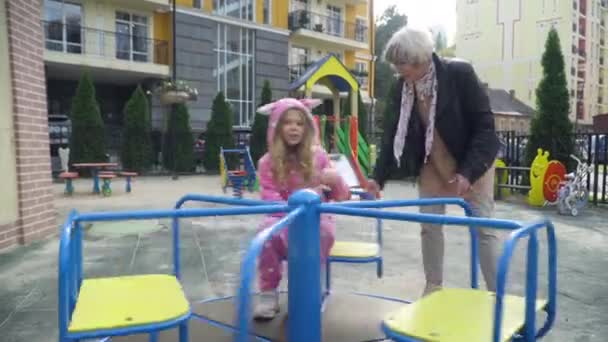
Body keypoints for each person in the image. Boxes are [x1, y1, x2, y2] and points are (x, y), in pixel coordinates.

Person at [366, 26, 501, 296]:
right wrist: (376, 177)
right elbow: (393, 133)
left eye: (402, 64)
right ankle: (433, 287)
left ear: (421, 58)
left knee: (484, 228)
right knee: (429, 226)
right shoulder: (403, 86)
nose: (398, 70)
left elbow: (485, 129)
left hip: (472, 161)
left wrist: (468, 172)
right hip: (433, 163)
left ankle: (499, 294)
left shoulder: (458, 74)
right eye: (395, 64)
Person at [254, 97, 351, 320]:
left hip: (316, 217)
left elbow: (341, 195)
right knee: (266, 234)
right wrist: (292, 212)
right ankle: (268, 293)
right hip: (283, 216)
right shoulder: (267, 162)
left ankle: (309, 288)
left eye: (299, 123)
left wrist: (335, 180)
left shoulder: (319, 157)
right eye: (287, 122)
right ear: (276, 128)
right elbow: (270, 198)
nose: (294, 128)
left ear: (307, 128)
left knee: (322, 233)